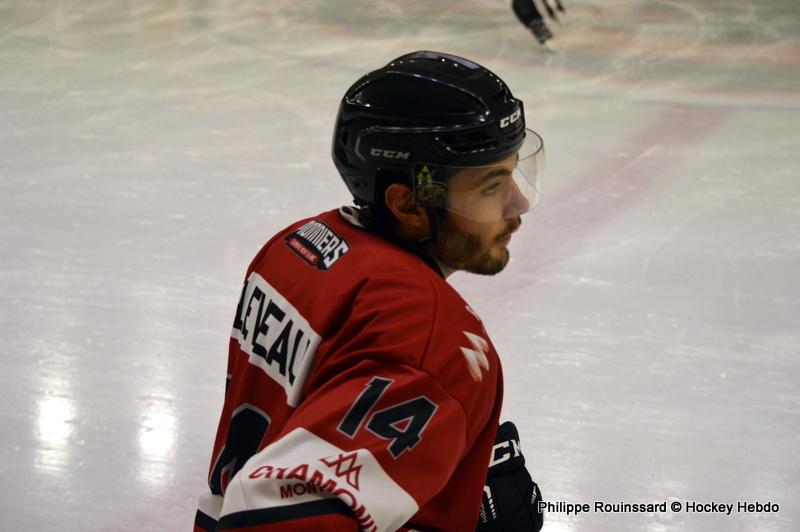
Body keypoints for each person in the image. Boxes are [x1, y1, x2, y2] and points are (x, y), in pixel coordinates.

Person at [194, 50, 546, 532]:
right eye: (490, 186)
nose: (519, 203)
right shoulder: (436, 344)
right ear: (408, 205)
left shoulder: (298, 245)